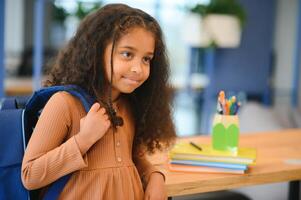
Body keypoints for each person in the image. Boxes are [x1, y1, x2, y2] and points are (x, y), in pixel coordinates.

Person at [21, 3, 176, 200]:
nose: (138, 68)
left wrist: (155, 176)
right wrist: (83, 140)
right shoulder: (64, 103)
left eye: (146, 59)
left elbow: (134, 157)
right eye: (127, 54)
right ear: (96, 51)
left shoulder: (128, 105)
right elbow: (30, 175)